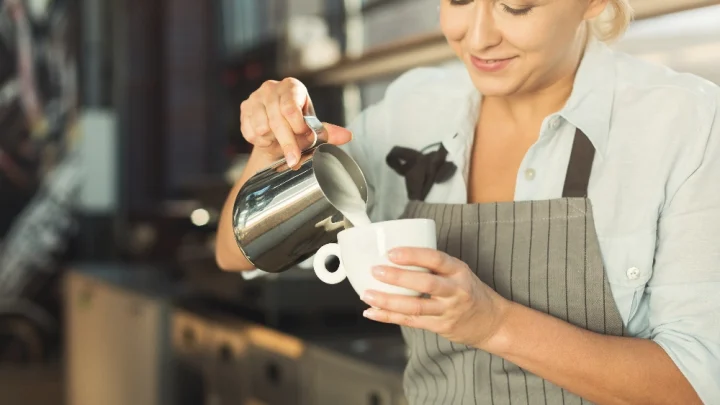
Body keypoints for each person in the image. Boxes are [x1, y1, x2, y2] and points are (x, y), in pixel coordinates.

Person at [216, 0, 720, 403]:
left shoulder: (686, 124)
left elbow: (697, 387)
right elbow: (239, 251)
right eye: (458, 0)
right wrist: (272, 147)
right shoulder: (412, 111)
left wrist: (494, 324)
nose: (478, 37)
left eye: (516, 7)